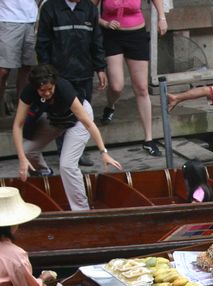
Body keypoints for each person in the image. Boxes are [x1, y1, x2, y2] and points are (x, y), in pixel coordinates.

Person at [13, 64, 122, 210]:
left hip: (79, 119)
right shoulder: (28, 91)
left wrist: (104, 153)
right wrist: (21, 159)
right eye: (42, 91)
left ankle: (82, 211)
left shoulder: (64, 88)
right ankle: (46, 174)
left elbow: (88, 124)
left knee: (67, 165)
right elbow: (17, 125)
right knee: (27, 152)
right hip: (55, 118)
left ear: (54, 84)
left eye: (49, 89)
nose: (46, 93)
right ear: (35, 88)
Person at [36, 0, 108, 168]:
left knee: (82, 115)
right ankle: (63, 152)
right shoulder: (50, 8)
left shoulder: (89, 8)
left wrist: (100, 68)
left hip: (84, 72)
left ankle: (77, 152)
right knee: (61, 116)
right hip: (59, 74)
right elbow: (43, 43)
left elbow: (96, 41)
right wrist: (47, 73)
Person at [95, 0, 167, 157]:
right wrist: (104, 23)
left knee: (141, 88)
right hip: (111, 35)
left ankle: (148, 139)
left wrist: (162, 17)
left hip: (136, 34)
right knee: (116, 86)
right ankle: (110, 105)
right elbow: (89, 11)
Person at [0, 0, 39, 137]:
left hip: (31, 20)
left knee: (26, 69)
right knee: (3, 70)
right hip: (6, 19)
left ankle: (22, 115)